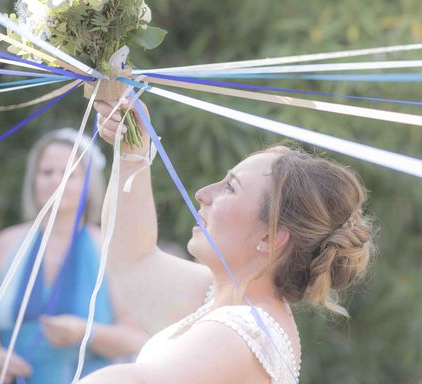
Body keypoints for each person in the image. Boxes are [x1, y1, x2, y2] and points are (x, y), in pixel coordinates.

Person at [79, 100, 376, 384]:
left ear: (269, 238)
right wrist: (133, 154)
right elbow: (133, 259)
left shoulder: (242, 333)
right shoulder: (221, 299)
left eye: (230, 187)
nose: (203, 193)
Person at [0, 128, 148, 384]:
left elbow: (135, 336)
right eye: (47, 172)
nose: (56, 180)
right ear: (34, 180)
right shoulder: (6, 243)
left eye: (68, 173)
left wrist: (83, 332)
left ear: (88, 183)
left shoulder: (106, 246)